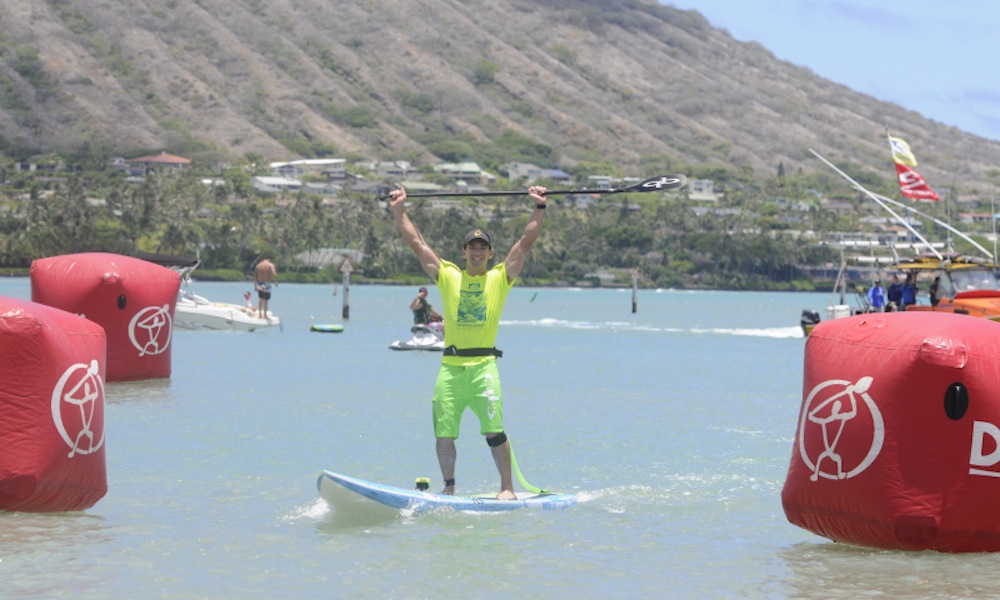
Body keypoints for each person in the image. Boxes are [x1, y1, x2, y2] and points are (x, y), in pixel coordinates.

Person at [389, 184, 548, 500]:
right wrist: (398, 210)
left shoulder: (500, 277)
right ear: (463, 252)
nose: (476, 251)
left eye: (482, 247)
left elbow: (525, 242)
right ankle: (449, 488)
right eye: (471, 247)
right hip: (450, 367)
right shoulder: (448, 275)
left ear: (490, 253)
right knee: (444, 433)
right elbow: (417, 243)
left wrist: (540, 207)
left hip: (484, 367)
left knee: (493, 431)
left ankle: (506, 488)